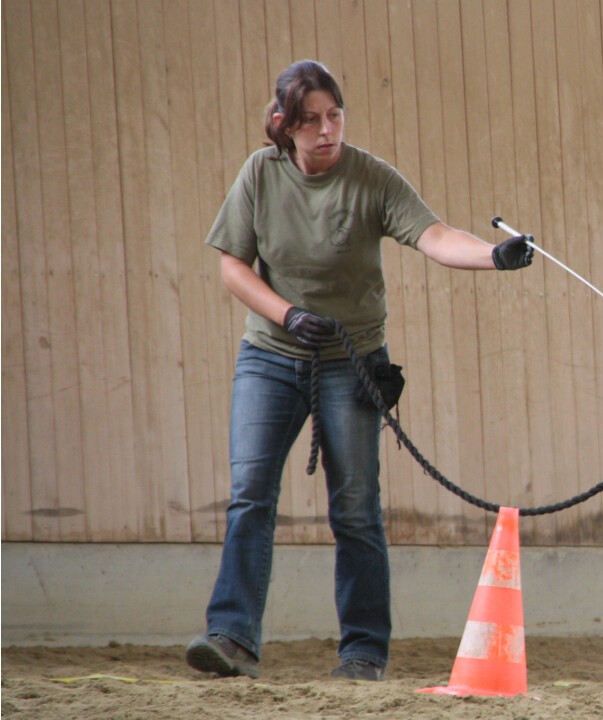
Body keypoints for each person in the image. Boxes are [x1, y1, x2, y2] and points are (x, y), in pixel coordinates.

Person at [185, 60, 534, 682]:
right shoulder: (258, 176)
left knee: (355, 508)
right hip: (270, 357)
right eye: (311, 120)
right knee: (250, 497)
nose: (327, 130)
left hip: (352, 362)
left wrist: (494, 257)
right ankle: (231, 636)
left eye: (335, 115)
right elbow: (232, 266)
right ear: (282, 126)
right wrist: (287, 315)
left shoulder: (371, 177)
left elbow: (433, 234)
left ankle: (364, 653)